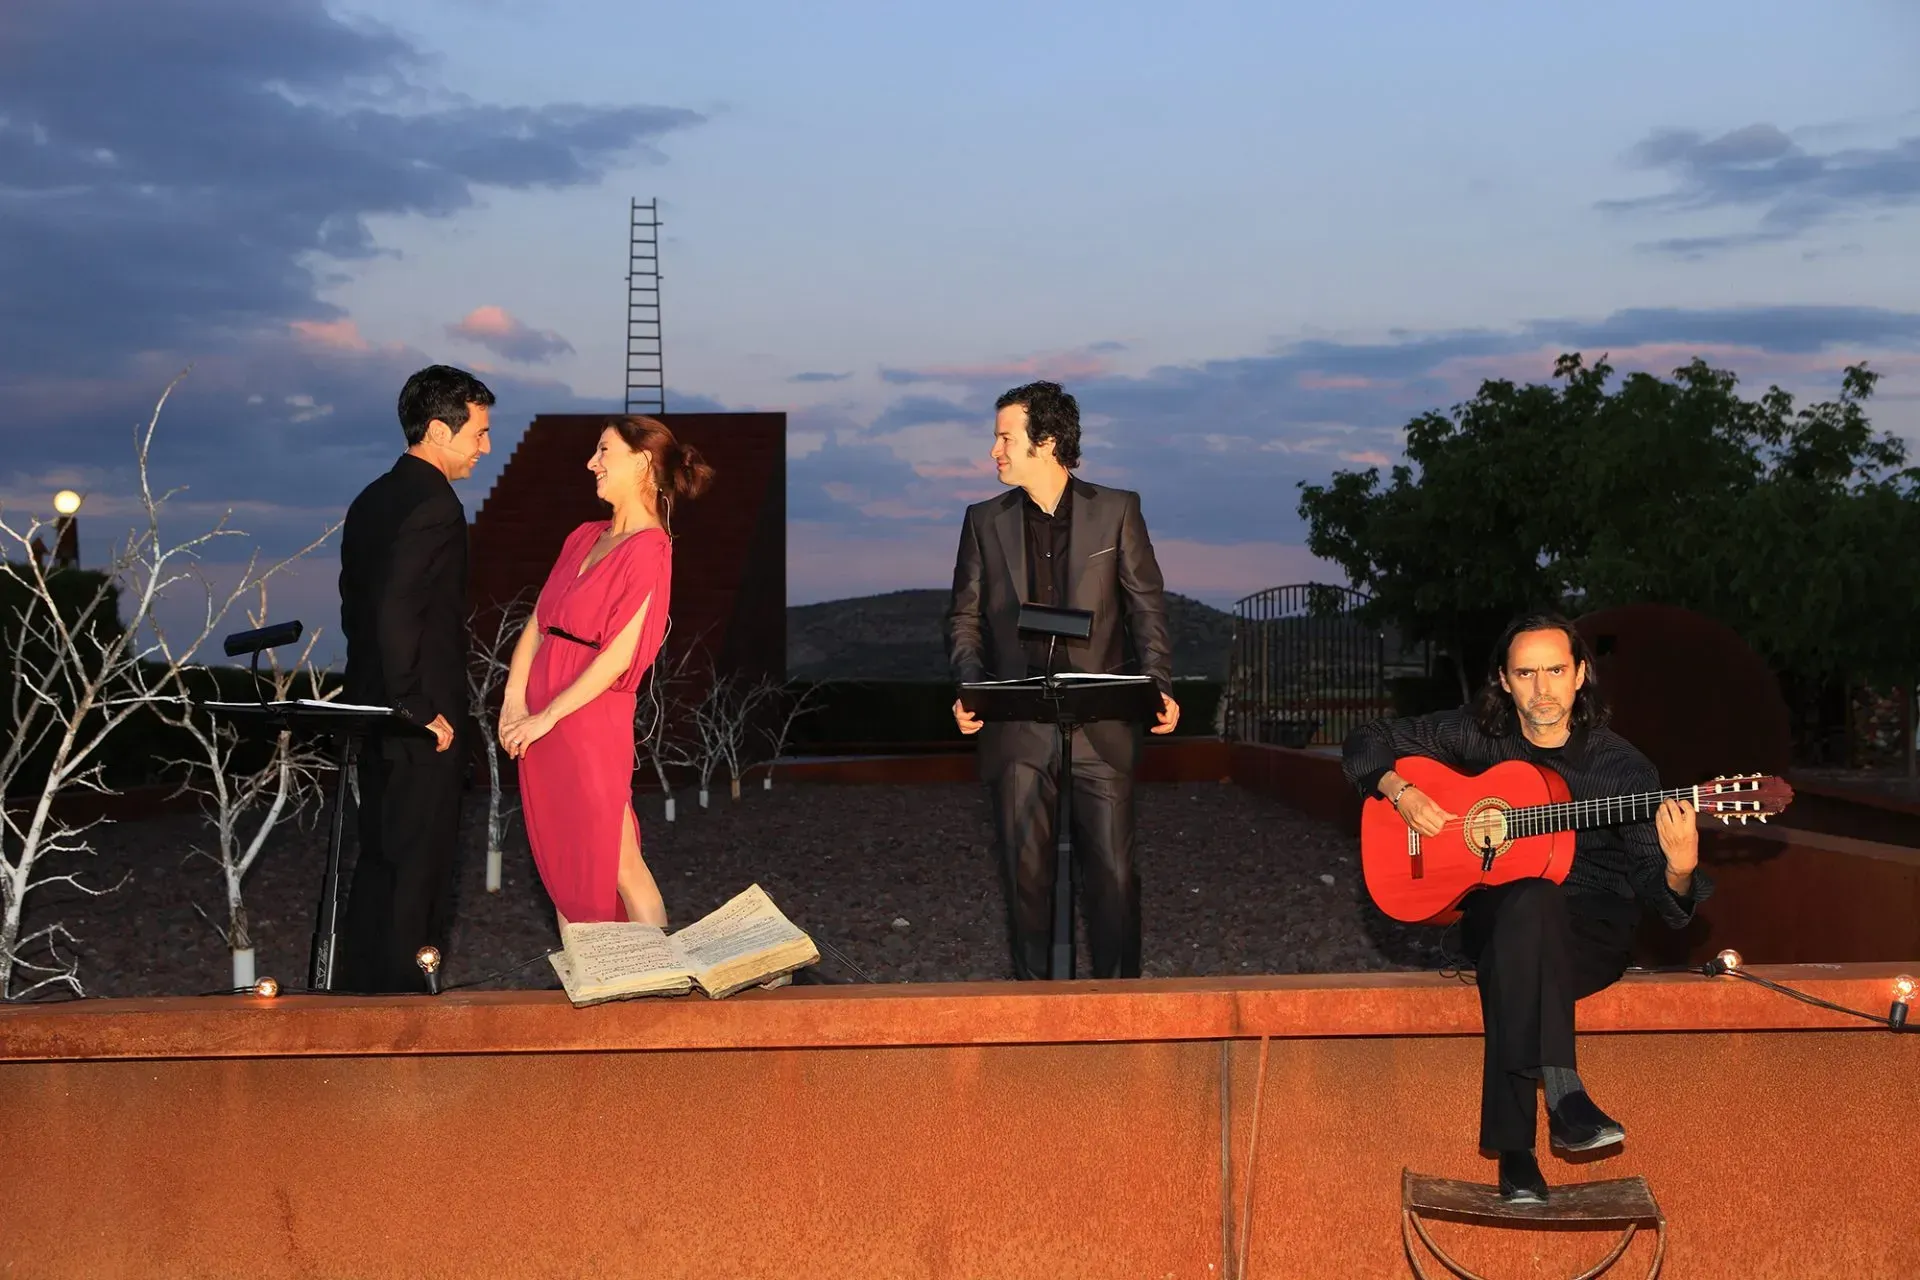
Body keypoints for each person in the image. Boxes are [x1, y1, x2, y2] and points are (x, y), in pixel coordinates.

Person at [1342, 612, 1711, 1203]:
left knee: (1524, 938)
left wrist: (1681, 867)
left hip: (1590, 933)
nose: (1542, 689)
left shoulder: (1623, 769)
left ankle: (1516, 1154)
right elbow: (1367, 739)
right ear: (1504, 680)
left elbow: (1665, 902)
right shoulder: (1479, 735)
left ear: (1581, 675)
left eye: (1556, 671)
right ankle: (1566, 1099)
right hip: (1495, 914)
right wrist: (1400, 791)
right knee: (1528, 902)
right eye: (1526, 673)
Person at [946, 380, 1179, 981]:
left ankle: (1120, 1007)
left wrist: (1159, 683)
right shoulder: (983, 521)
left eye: (1005, 437)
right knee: (1025, 882)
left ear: (1046, 441)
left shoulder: (1117, 509)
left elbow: (1146, 608)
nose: (994, 450)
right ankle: (1035, 1012)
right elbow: (964, 618)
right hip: (1018, 731)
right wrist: (970, 688)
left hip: (1102, 728)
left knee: (1114, 878)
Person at [498, 416, 713, 926]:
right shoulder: (582, 537)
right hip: (540, 715)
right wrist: (513, 701)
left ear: (642, 461)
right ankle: (591, 972)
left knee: (618, 862)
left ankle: (657, 975)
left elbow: (619, 655)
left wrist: (547, 716)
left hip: (588, 717)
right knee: (562, 863)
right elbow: (537, 624)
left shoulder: (651, 547)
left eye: (603, 451)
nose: (591, 462)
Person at [338, 364, 494, 993]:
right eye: (478, 433)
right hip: (420, 717)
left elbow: (355, 608)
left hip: (373, 711)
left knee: (380, 857)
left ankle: (360, 993)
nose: (486, 447)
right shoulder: (436, 505)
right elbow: (397, 606)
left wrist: (383, 696)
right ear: (437, 430)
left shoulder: (372, 497)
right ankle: (403, 1003)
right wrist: (414, 703)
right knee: (417, 866)